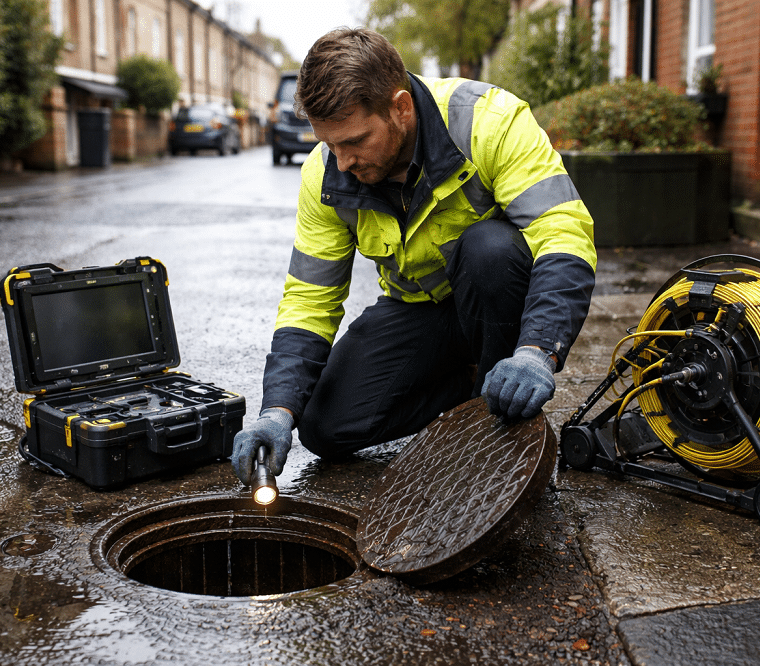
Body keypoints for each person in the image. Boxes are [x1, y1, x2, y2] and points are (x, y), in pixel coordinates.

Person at [232, 27, 596, 486]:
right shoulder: (325, 176)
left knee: (491, 249)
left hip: (496, 302)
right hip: (420, 309)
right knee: (324, 425)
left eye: (355, 141)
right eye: (330, 144)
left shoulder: (488, 121)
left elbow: (564, 232)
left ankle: (506, 419)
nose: (342, 162)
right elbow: (310, 298)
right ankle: (475, 392)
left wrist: (538, 351)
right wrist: (276, 410)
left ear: (401, 108)